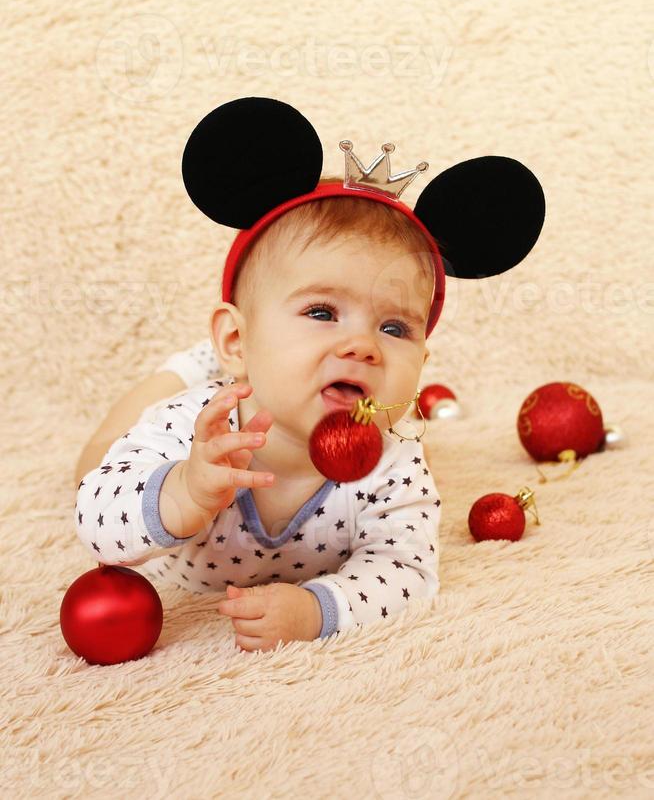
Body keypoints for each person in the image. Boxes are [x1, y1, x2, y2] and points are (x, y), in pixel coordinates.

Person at [74, 97, 546, 652]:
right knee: (92, 457)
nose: (362, 347)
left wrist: (317, 610)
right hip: (209, 396)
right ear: (237, 339)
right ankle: (192, 363)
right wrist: (182, 491)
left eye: (395, 329)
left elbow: (407, 571)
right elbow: (95, 517)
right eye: (322, 313)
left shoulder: (393, 459)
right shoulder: (195, 427)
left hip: (264, 378)